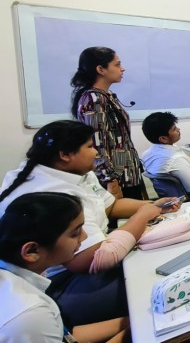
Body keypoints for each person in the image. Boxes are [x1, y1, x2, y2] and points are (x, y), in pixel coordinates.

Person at [0, 120, 179, 327]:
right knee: (157, 285)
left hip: (82, 263)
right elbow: (91, 259)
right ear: (65, 155)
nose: (96, 153)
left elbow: (111, 206)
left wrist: (152, 205)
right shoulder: (53, 193)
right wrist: (142, 216)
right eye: (89, 147)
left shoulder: (77, 173)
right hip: (59, 285)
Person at [0, 193, 129, 342]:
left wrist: (130, 323)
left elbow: (63, 335)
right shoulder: (29, 314)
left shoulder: (20, 276)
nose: (84, 237)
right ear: (31, 251)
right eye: (75, 234)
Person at [71, 46, 145, 200]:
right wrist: (110, 180)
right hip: (116, 180)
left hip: (127, 175)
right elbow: (97, 143)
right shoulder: (94, 99)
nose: (122, 69)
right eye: (117, 65)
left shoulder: (106, 95)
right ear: (101, 69)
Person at [141, 111, 190, 197]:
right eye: (174, 129)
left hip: (173, 195)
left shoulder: (147, 153)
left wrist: (187, 161)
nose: (179, 129)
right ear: (163, 138)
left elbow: (169, 168)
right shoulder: (176, 159)